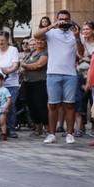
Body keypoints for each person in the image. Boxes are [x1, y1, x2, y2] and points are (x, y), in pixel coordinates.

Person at [33, 9, 84, 144]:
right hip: (53, 73)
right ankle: (51, 134)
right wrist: (51, 26)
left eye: (66, 19)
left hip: (70, 74)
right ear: (57, 19)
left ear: (70, 20)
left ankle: (69, 134)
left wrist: (78, 36)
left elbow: (81, 53)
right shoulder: (52, 32)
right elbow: (36, 35)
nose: (63, 21)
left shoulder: (75, 33)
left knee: (70, 105)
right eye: (61, 19)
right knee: (53, 105)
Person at [0, 32, 21, 137]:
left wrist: (8, 71)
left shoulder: (13, 50)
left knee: (9, 105)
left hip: (11, 83)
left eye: (2, 40)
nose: (0, 42)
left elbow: (16, 65)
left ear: (7, 40)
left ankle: (10, 129)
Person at [20, 37, 49, 136]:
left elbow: (39, 65)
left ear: (45, 42)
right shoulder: (30, 53)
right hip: (28, 82)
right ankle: (37, 128)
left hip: (40, 82)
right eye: (37, 41)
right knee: (31, 105)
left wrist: (25, 66)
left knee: (41, 105)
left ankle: (47, 128)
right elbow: (22, 66)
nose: (39, 42)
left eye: (42, 41)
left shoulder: (45, 52)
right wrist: (23, 67)